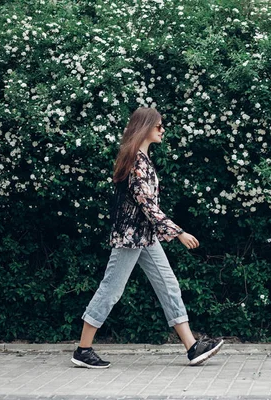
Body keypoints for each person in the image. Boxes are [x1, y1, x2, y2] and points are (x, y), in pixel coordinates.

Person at [71, 107, 224, 369]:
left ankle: (192, 347)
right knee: (111, 290)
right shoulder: (136, 163)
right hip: (130, 237)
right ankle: (83, 350)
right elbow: (148, 206)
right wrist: (179, 233)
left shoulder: (142, 159)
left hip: (145, 237)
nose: (163, 130)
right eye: (159, 126)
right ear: (145, 128)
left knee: (169, 285)